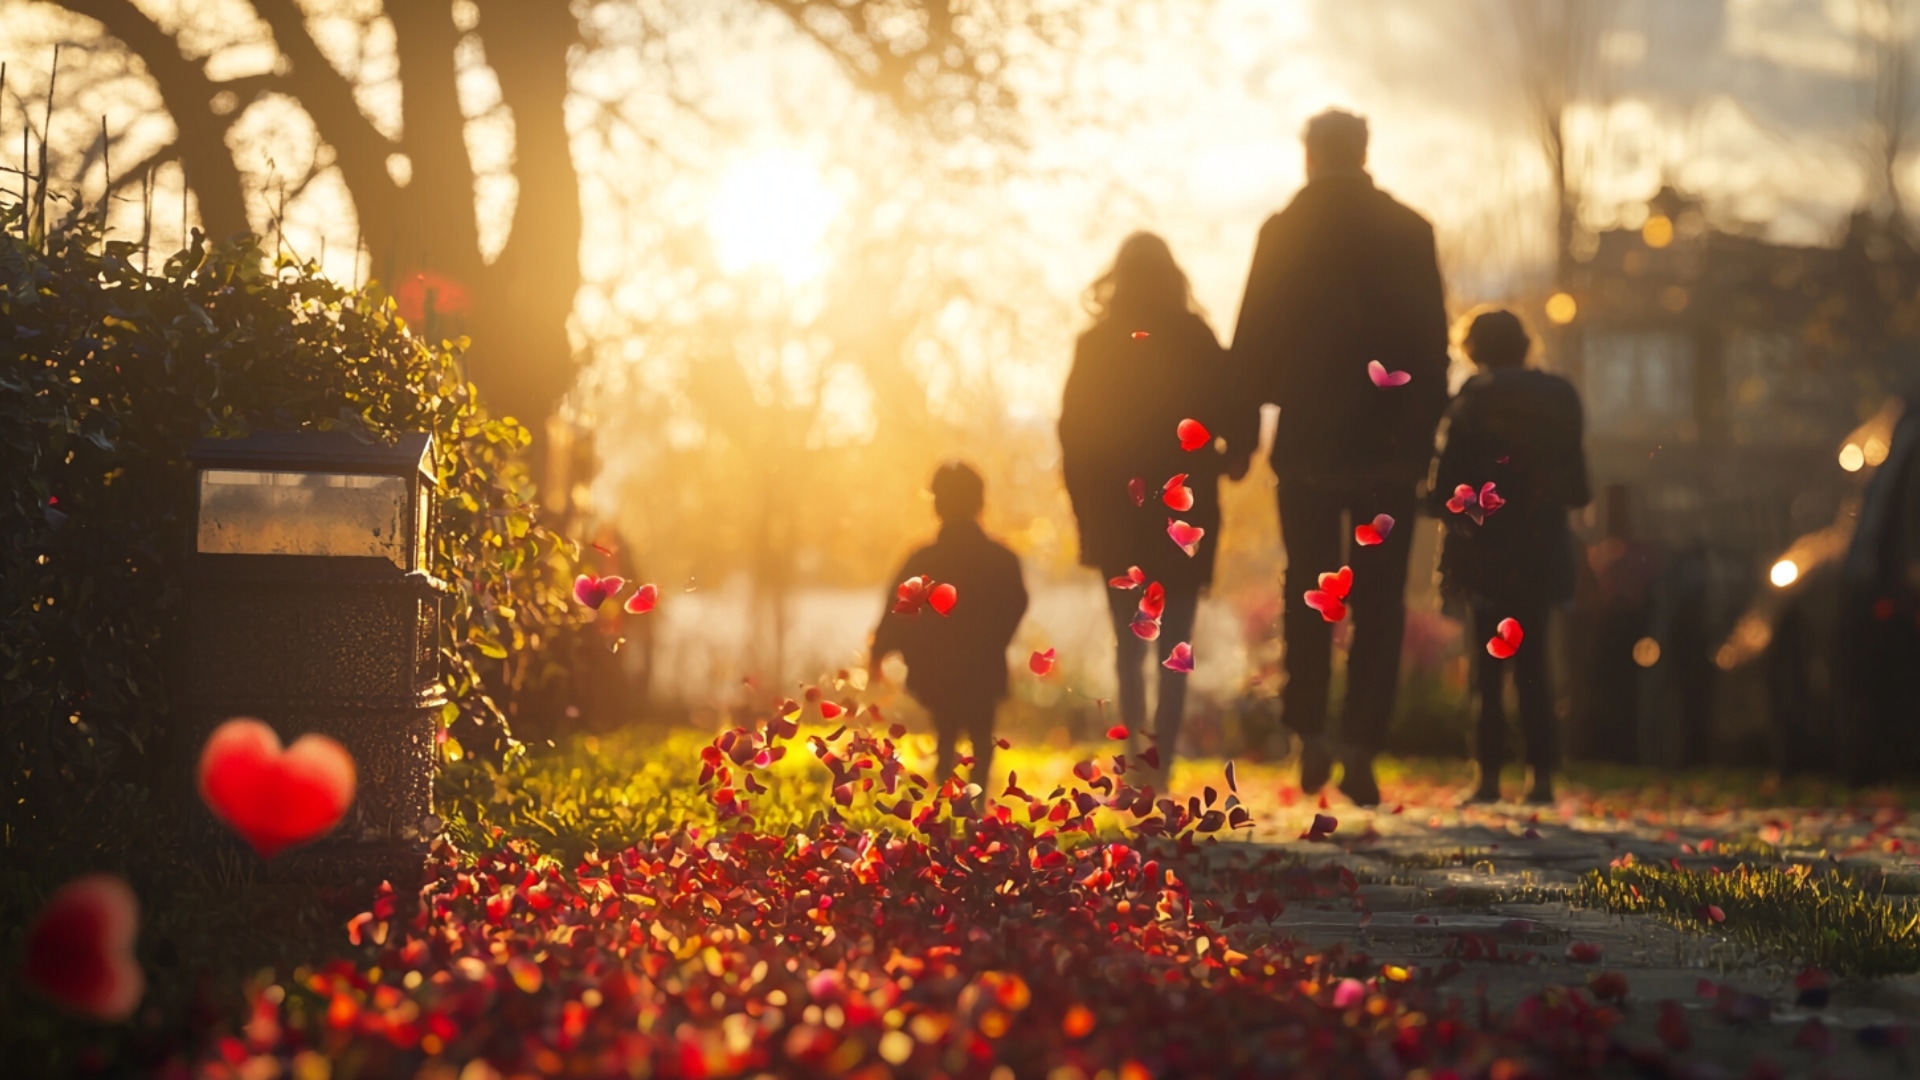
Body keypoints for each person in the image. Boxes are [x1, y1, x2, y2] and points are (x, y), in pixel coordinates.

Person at [1226, 108, 1451, 805]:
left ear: (1311, 158)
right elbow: (1431, 344)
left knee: (1309, 587)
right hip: (1387, 450)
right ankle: (1360, 741)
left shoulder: (1284, 231)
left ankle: (1310, 729)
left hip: (1311, 444)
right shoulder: (1410, 231)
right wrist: (1422, 441)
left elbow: (1253, 336)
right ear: (1364, 153)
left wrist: (1238, 435)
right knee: (1381, 599)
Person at [1059, 232, 1240, 784]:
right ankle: (1163, 761)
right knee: (1175, 645)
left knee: (1129, 647)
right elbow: (1230, 405)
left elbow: (1073, 433)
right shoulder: (1196, 338)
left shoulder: (1096, 344)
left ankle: (1137, 755)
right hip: (1186, 509)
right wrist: (1233, 457)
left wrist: (1083, 510)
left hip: (1117, 513)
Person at [1430, 308, 1591, 804]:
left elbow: (1445, 487)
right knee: (1536, 660)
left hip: (1485, 548)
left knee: (1486, 663)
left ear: (1474, 350)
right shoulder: (1561, 396)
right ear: (1524, 344)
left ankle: (1488, 775)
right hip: (1542, 546)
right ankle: (1540, 775)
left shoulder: (1472, 400)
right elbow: (1579, 487)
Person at [870, 461, 1029, 799]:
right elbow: (1016, 604)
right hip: (984, 666)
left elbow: (899, 611)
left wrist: (881, 652)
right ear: (981, 503)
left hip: (937, 669)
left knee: (946, 724)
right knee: (981, 728)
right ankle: (977, 792)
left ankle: (946, 782)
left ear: (937, 504)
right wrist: (992, 641)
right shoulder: (1001, 560)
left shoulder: (923, 560)